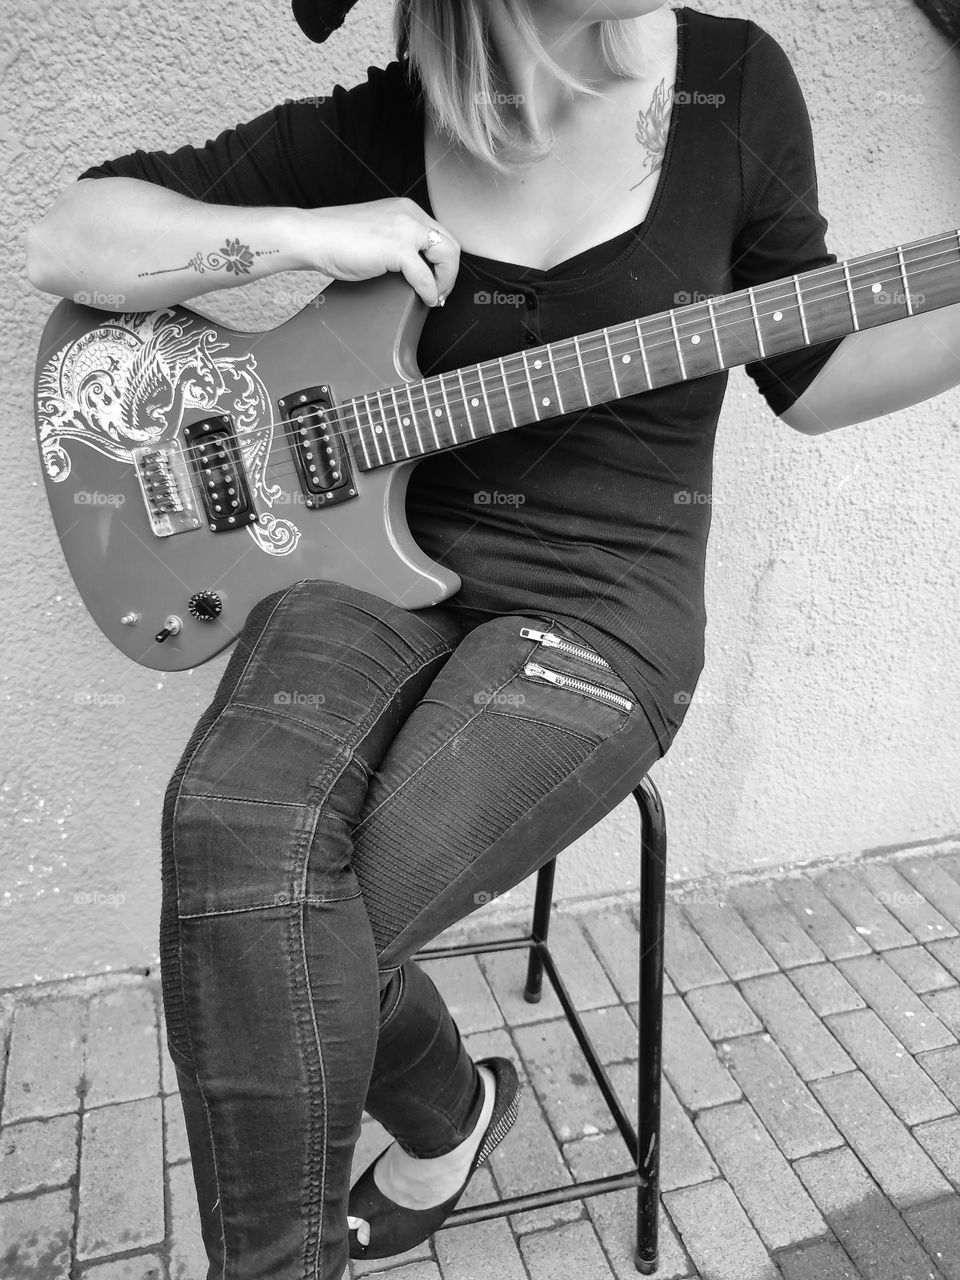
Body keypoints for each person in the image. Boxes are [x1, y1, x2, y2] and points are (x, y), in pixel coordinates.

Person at [24, 1, 960, 1277]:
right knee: (230, 830)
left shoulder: (733, 84)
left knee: (283, 933)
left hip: (599, 604)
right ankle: (446, 1116)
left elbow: (812, 378)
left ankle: (396, 1159)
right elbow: (66, 239)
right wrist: (302, 235)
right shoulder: (393, 123)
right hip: (373, 563)